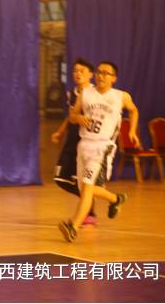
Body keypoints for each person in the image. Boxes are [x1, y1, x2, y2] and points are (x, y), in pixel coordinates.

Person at [58, 61, 140, 242]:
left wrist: (132, 131)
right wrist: (78, 118)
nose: (101, 75)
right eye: (99, 72)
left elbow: (134, 111)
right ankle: (115, 199)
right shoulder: (86, 93)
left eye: (106, 73)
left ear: (114, 78)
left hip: (102, 147)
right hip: (84, 145)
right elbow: (72, 116)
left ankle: (73, 227)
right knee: (84, 189)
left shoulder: (120, 96)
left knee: (88, 187)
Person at [50, 58, 98, 226]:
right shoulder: (72, 94)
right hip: (71, 141)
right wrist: (60, 132)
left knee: (83, 180)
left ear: (91, 74)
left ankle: (89, 213)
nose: (77, 74)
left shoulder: (95, 94)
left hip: (86, 142)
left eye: (81, 71)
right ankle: (89, 199)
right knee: (60, 178)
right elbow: (70, 116)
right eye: (75, 71)